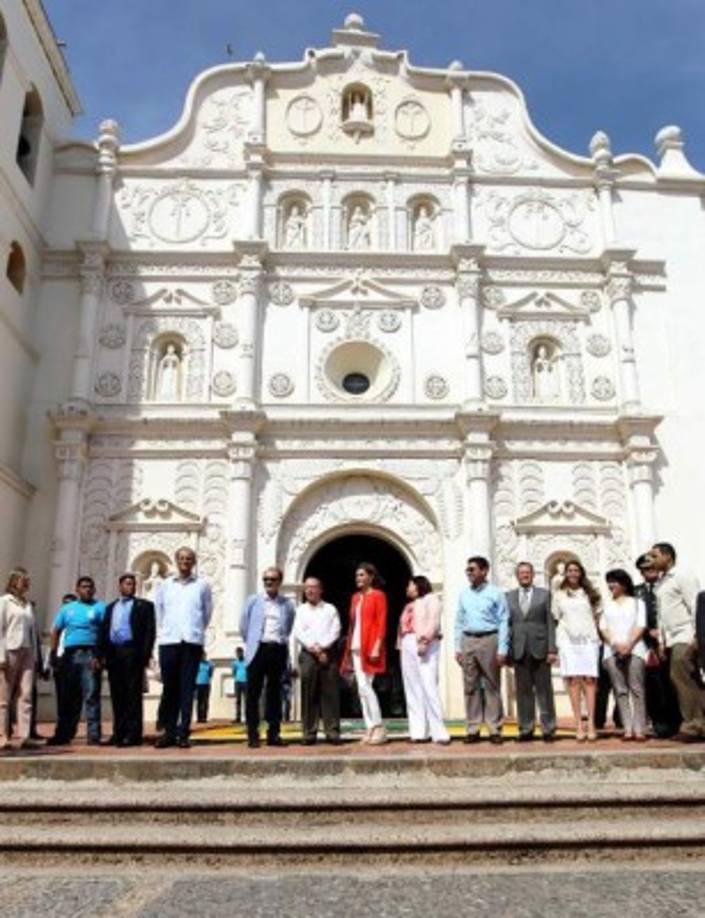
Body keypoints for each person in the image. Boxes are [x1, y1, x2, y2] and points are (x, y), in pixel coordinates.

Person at [154, 547, 212, 749]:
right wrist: (170, 629)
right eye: (182, 558)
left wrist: (194, 630)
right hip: (169, 641)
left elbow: (206, 613)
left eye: (189, 559)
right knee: (170, 688)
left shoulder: (202, 585)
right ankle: (169, 732)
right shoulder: (165, 585)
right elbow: (160, 612)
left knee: (188, 689)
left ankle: (184, 732)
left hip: (191, 641)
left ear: (194, 562)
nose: (185, 562)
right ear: (176, 561)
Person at [650, 542, 705, 741]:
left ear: (667, 556)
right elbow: (662, 616)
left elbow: (695, 605)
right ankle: (697, 722)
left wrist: (697, 635)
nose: (652, 561)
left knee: (682, 677)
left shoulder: (683, 575)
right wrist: (662, 641)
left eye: (655, 556)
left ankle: (694, 725)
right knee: (683, 679)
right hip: (672, 638)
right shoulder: (662, 582)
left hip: (686, 634)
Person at [454, 556, 509, 745]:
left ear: (484, 571)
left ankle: (494, 728)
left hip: (489, 638)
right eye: (467, 570)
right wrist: (457, 646)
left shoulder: (496, 593)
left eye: (472, 569)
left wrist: (502, 647)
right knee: (470, 686)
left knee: (492, 685)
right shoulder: (464, 594)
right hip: (468, 639)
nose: (469, 573)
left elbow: (503, 621)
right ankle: (473, 727)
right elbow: (459, 621)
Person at [240, 567, 295, 749]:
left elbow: (288, 626)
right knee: (253, 694)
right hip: (258, 649)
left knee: (275, 694)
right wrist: (253, 643)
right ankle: (253, 734)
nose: (269, 582)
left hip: (277, 649)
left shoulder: (287, 604)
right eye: (266, 579)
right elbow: (244, 626)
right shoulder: (253, 601)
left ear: (280, 581)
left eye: (272, 579)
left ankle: (274, 733)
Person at [99, 573, 156, 747]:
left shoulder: (144, 606)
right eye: (127, 584)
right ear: (120, 586)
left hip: (133, 652)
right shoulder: (110, 608)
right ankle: (119, 732)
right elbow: (104, 631)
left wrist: (145, 655)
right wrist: (101, 654)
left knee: (132, 694)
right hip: (114, 653)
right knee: (117, 694)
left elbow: (149, 631)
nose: (130, 587)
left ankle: (133, 734)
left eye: (132, 584)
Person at [48, 577, 106, 746]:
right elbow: (56, 630)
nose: (87, 590)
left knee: (91, 695)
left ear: (94, 590)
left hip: (91, 654)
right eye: (83, 587)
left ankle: (93, 734)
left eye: (90, 587)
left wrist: (100, 656)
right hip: (70, 655)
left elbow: (104, 633)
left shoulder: (100, 608)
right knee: (68, 697)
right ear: (77, 589)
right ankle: (64, 733)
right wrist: (53, 653)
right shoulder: (67, 609)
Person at [506, 562, 557, 742]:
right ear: (517, 576)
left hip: (541, 648)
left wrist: (552, 649)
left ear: (533, 574)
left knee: (544, 690)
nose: (525, 575)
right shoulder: (508, 597)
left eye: (527, 572)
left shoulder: (545, 595)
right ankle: (526, 728)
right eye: (521, 573)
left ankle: (548, 728)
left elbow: (551, 623)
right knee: (523, 692)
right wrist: (507, 650)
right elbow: (507, 625)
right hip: (519, 649)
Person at [553, 560, 601, 742]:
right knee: (573, 681)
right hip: (568, 641)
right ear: (565, 573)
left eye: (576, 570)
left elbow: (597, 615)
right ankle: (578, 724)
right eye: (570, 570)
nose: (573, 573)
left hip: (588, 639)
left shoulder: (590, 593)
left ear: (581, 573)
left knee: (589, 680)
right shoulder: (558, 594)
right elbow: (557, 617)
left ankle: (591, 723)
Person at [341, 563, 388, 745]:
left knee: (367, 687)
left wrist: (377, 645)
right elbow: (353, 624)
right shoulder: (355, 598)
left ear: (371, 576)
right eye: (357, 575)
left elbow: (381, 622)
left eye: (361, 575)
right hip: (355, 646)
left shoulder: (378, 596)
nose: (358, 578)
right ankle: (370, 727)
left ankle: (378, 726)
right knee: (361, 688)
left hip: (370, 646)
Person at [398, 575, 449, 745]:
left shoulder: (431, 599)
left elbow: (434, 621)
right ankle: (418, 732)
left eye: (410, 585)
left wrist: (425, 640)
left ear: (418, 585)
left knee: (429, 686)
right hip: (408, 644)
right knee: (412, 687)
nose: (407, 588)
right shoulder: (409, 605)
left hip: (424, 642)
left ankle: (439, 732)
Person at [599, 569, 648, 741]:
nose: (611, 585)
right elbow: (603, 627)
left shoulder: (637, 603)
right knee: (620, 690)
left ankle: (639, 728)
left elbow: (641, 625)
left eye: (614, 581)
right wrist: (615, 643)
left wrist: (629, 644)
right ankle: (628, 728)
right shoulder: (606, 604)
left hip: (635, 649)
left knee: (637, 689)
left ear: (624, 584)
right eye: (609, 582)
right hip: (612, 651)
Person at [635, 553, 680, 737]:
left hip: (669, 639)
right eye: (646, 569)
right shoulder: (636, 591)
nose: (650, 571)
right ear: (641, 572)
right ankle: (659, 722)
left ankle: (676, 720)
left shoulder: (667, 585)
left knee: (673, 681)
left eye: (652, 568)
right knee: (652, 684)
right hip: (646, 643)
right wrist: (647, 632)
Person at [293, 576, 342, 746]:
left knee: (330, 694)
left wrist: (323, 647)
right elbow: (298, 631)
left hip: (328, 654)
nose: (310, 591)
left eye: (313, 587)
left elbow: (336, 630)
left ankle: (332, 731)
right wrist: (314, 648)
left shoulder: (330, 609)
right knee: (308, 694)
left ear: (321, 589)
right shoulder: (300, 610)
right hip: (308, 654)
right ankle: (309, 732)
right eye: (307, 588)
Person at [0, 567, 39, 750]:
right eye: (24, 580)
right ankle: (2, 735)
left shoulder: (27, 604)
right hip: (10, 650)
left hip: (27, 651)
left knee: (26, 694)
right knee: (4, 696)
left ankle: (24, 735)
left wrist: (36, 656)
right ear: (15, 581)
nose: (27, 583)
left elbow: (33, 632)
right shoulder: (5, 602)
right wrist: (1, 656)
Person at [194, 653, 214, 724]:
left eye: (204, 656)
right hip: (198, 684)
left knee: (205, 701)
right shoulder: (196, 664)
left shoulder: (209, 664)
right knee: (199, 701)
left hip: (206, 684)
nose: (203, 657)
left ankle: (204, 717)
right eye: (201, 656)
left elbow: (211, 673)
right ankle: (199, 718)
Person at [231, 647, 247, 723]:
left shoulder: (246, 661)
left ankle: (247, 717)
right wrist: (237, 678)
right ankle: (238, 717)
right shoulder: (235, 663)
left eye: (240, 652)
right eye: (238, 653)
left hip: (246, 682)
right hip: (238, 682)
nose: (239, 654)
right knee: (238, 700)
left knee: (246, 700)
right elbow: (233, 672)